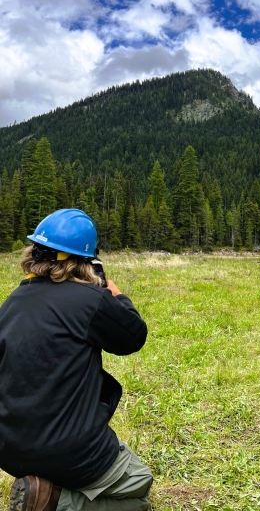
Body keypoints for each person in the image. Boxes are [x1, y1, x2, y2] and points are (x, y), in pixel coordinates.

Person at [0, 209, 153, 511]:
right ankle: (57, 501)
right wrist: (111, 289)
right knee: (140, 485)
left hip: (9, 450)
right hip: (71, 451)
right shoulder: (90, 301)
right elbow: (133, 336)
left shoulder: (11, 304)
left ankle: (40, 485)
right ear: (87, 262)